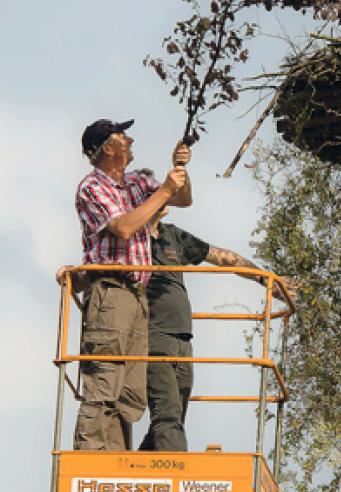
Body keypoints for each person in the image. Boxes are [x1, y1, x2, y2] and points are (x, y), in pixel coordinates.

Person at [61, 119, 192, 451]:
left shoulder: (135, 182)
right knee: (105, 379)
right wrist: (165, 189)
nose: (130, 140)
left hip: (137, 296)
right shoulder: (92, 187)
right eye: (123, 136)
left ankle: (115, 459)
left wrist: (180, 170)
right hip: (111, 292)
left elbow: (182, 200)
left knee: (130, 393)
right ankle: (91, 458)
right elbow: (123, 227)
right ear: (108, 148)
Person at [137, 200, 296, 451]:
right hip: (153, 334)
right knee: (167, 413)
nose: (164, 197)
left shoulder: (173, 235)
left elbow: (224, 258)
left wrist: (267, 281)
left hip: (183, 338)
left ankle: (138, 467)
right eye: (153, 193)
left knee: (173, 417)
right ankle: (178, 469)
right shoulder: (131, 239)